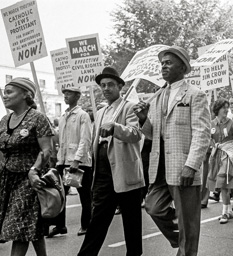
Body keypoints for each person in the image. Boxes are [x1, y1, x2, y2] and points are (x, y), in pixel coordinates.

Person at [134, 46, 210, 256]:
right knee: (153, 207)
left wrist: (191, 165)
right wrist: (143, 119)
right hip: (160, 168)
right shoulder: (157, 97)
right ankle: (183, 239)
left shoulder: (195, 95)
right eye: (162, 63)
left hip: (183, 167)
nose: (163, 66)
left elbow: (202, 134)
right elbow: (152, 134)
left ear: (183, 67)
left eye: (168, 62)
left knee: (188, 222)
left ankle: (187, 246)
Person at [78, 67, 144, 256]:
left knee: (131, 223)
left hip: (125, 173)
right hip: (103, 174)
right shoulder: (100, 112)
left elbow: (136, 134)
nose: (106, 88)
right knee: (97, 220)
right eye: (103, 85)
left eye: (110, 85)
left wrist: (116, 128)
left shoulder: (130, 107)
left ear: (120, 87)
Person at [0, 78, 53, 256]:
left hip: (29, 180)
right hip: (7, 180)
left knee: (18, 227)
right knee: (30, 225)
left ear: (25, 94)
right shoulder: (4, 119)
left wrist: (34, 171)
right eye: (4, 92)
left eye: (9, 92)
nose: (4, 96)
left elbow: (46, 150)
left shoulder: (38, 118)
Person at [48, 87, 92, 238]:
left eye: (69, 93)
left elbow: (85, 139)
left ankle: (86, 225)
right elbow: (62, 141)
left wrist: (77, 160)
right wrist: (59, 160)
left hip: (79, 163)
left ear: (77, 96)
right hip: (63, 161)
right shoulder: (63, 116)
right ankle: (60, 225)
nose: (66, 96)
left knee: (85, 195)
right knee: (60, 195)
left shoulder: (83, 115)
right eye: (64, 93)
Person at [207, 98, 233, 224]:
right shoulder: (211, 124)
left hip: (228, 155)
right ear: (217, 109)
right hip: (216, 156)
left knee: (223, 183)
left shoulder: (232, 123)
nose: (226, 110)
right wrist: (213, 146)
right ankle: (229, 210)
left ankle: (224, 213)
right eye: (224, 107)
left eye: (227, 107)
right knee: (220, 185)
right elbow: (208, 138)